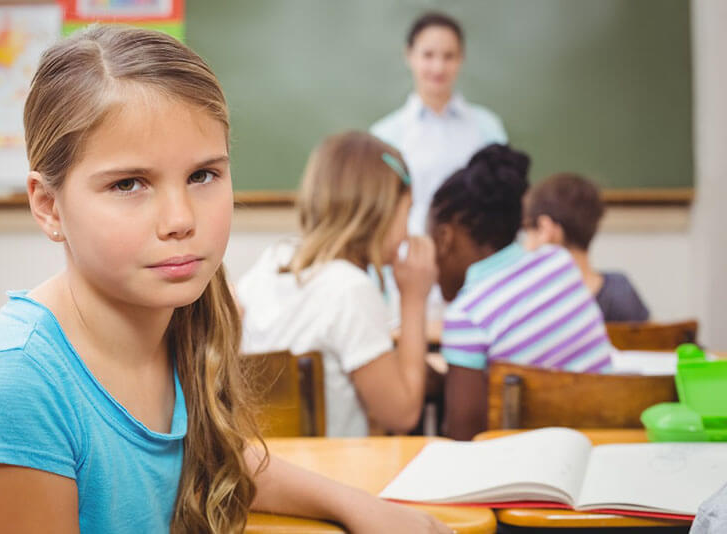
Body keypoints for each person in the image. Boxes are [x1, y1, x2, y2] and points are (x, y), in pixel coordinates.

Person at [0, 26, 450, 534]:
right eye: (129, 184)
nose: (180, 219)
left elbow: (222, 457)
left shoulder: (180, 319)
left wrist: (358, 506)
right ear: (48, 206)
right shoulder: (15, 387)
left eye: (203, 175)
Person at [237, 131, 437, 437]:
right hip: (334, 474)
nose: (409, 230)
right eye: (406, 212)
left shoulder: (270, 263)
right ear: (381, 211)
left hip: (273, 469)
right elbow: (403, 414)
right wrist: (414, 300)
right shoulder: (350, 289)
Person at [427, 145, 613, 440]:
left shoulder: (467, 315)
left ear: (444, 239)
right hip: (605, 443)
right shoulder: (559, 262)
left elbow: (463, 438)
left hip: (534, 471)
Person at [371, 11, 507, 236]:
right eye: (428, 55)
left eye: (449, 56)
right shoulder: (384, 136)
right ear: (409, 55)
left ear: (461, 59)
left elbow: (503, 198)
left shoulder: (488, 127)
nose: (438, 67)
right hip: (408, 256)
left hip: (476, 256)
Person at [522, 172, 650, 322]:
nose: (526, 245)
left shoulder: (535, 302)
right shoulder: (621, 290)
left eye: (528, 232)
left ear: (546, 228)